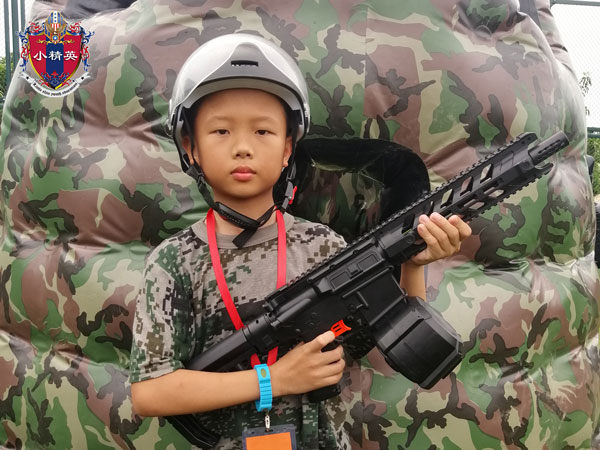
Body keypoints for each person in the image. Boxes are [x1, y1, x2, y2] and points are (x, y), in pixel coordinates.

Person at [128, 33, 472, 450]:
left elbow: (383, 339)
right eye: (220, 130)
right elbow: (150, 391)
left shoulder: (322, 245)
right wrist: (273, 380)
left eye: (263, 131)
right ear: (190, 146)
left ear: (288, 148)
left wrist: (413, 263)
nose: (242, 147)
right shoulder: (174, 262)